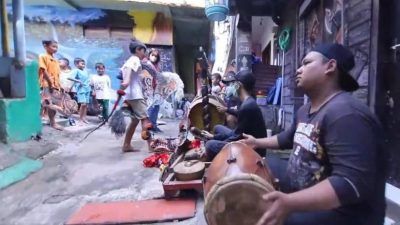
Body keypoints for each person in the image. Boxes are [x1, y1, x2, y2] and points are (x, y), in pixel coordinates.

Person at [243, 43, 385, 225]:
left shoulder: (346, 114)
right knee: (263, 164)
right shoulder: (305, 110)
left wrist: (290, 203)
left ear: (330, 66)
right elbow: (287, 138)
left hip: (345, 213)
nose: (298, 69)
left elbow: (350, 183)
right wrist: (257, 142)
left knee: (270, 218)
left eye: (306, 63)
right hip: (304, 186)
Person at [199, 70, 267, 160]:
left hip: (252, 148)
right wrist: (214, 137)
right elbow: (237, 133)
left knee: (209, 145)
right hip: (242, 136)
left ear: (238, 85)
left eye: (232, 84)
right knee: (217, 127)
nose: (230, 87)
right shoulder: (247, 102)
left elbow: (235, 138)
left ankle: (219, 163)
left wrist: (215, 140)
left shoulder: (247, 106)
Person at [120, 40, 152, 152]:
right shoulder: (134, 59)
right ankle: (151, 147)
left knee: (134, 121)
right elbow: (129, 70)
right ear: (138, 49)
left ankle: (126, 145)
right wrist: (127, 80)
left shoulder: (128, 61)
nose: (145, 53)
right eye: (144, 50)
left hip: (129, 96)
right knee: (146, 120)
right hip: (136, 96)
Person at [38, 40, 63, 130]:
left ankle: (52, 122)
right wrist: (50, 83)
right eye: (53, 46)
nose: (55, 49)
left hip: (55, 85)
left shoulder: (55, 60)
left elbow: (57, 74)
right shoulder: (43, 56)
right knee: (46, 103)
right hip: (46, 84)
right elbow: (43, 71)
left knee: (52, 105)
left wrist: (59, 85)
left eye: (56, 47)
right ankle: (37, 121)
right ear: (45, 46)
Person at [146, 48, 162, 132]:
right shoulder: (147, 65)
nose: (154, 57)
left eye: (156, 56)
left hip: (155, 90)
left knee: (156, 107)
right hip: (149, 90)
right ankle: (150, 126)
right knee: (151, 108)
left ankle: (153, 125)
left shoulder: (156, 66)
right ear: (149, 55)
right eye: (152, 55)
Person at [72, 58, 91, 124]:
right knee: (82, 104)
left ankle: (84, 118)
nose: (83, 65)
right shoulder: (76, 70)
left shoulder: (85, 71)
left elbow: (88, 79)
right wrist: (78, 81)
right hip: (81, 89)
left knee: (86, 105)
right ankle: (80, 119)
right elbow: (69, 77)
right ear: (76, 64)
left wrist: (90, 83)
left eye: (84, 64)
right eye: (82, 64)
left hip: (87, 89)